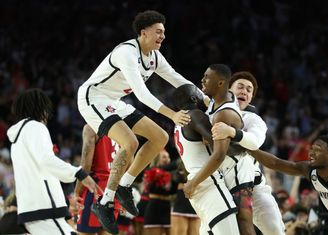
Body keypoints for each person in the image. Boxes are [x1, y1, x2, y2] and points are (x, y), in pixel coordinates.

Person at [77, 10, 204, 234]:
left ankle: (124, 185)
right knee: (130, 142)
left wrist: (207, 99)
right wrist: (172, 115)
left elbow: (177, 79)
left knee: (160, 137)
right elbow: (142, 95)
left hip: (114, 101)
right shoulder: (126, 52)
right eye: (158, 31)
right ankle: (104, 202)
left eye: (164, 32)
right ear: (143, 33)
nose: (163, 36)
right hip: (92, 98)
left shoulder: (154, 57)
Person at [7, 88, 99, 235]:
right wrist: (79, 172)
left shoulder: (17, 139)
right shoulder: (35, 127)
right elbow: (46, 161)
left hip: (31, 210)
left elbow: (41, 172)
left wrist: (65, 202)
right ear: (40, 108)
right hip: (44, 209)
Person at [211, 71, 285, 234]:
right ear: (229, 89)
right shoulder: (211, 112)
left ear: (251, 98)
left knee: (275, 230)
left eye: (249, 90)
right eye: (240, 87)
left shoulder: (253, 119)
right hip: (219, 185)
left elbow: (254, 142)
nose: (244, 91)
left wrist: (231, 132)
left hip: (253, 186)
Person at [173, 83, 240, 235]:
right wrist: (243, 143)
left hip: (197, 184)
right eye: (199, 93)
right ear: (193, 97)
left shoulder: (178, 124)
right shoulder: (195, 114)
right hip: (208, 182)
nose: (204, 96)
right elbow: (222, 147)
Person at [71, 124, 121, 235]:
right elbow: (129, 162)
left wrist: (76, 193)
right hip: (114, 190)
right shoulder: (121, 128)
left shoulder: (91, 127)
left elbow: (85, 166)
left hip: (95, 189)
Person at [170, 159, 200, 235]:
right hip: (181, 206)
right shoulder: (181, 164)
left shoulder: (202, 163)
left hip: (196, 204)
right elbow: (177, 179)